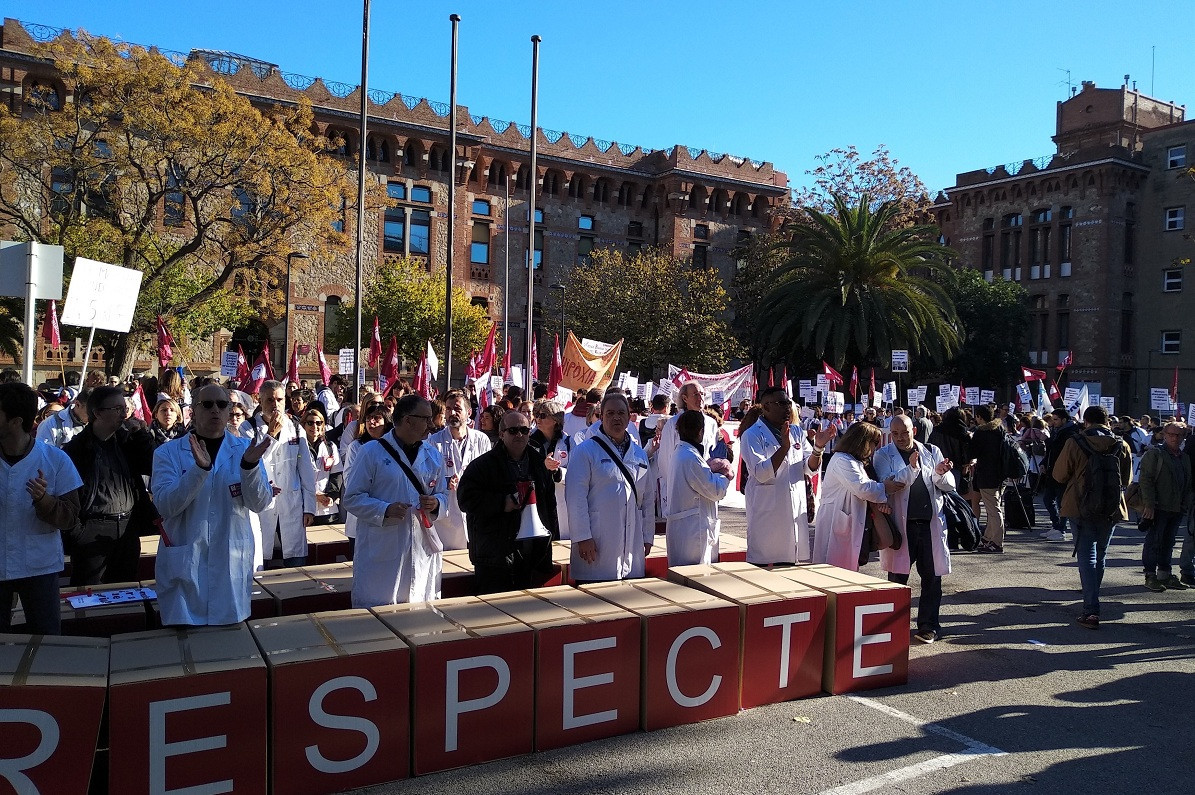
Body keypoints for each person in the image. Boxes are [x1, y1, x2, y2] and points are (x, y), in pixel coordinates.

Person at [152, 384, 273, 626]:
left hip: (231, 562)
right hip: (186, 563)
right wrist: (199, 471)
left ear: (230, 410)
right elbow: (166, 506)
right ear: (193, 412)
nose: (215, 410)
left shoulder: (246, 451)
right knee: (186, 648)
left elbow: (260, 503)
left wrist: (249, 468)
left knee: (227, 647)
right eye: (207, 404)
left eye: (222, 404)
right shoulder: (168, 453)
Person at [343, 394, 448, 608]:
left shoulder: (433, 455)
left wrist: (436, 504)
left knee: (419, 613)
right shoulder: (370, 452)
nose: (431, 425)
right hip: (383, 547)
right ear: (408, 419)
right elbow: (352, 498)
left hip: (421, 545)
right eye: (426, 419)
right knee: (380, 614)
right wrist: (384, 510)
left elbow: (443, 494)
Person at [0, 382, 83, 635]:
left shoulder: (56, 459)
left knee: (47, 640)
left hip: (39, 567)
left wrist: (44, 500)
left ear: (15, 421)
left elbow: (71, 517)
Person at [61, 387, 157, 585]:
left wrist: (141, 435)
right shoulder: (76, 449)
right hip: (92, 529)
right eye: (117, 409)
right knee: (88, 592)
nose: (124, 414)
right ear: (97, 413)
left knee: (125, 589)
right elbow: (67, 494)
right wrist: (79, 532)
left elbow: (153, 465)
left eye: (125, 408)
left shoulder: (127, 441)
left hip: (127, 528)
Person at [873, 415, 955, 643]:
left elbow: (948, 485)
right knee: (897, 579)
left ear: (914, 431)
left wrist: (940, 472)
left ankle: (929, 626)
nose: (900, 438)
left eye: (905, 432)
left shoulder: (931, 450)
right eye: (895, 433)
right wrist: (911, 469)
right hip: (901, 526)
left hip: (929, 525)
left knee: (932, 578)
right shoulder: (883, 455)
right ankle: (892, 626)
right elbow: (890, 484)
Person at [457, 407, 557, 593]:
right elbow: (465, 499)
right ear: (502, 434)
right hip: (494, 556)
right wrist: (502, 503)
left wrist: (551, 540)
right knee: (492, 614)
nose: (519, 434)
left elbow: (550, 505)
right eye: (513, 430)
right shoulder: (482, 466)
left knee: (525, 612)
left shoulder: (539, 463)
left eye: (524, 430)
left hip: (529, 553)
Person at [1052, 405, 1132, 630]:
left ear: (1086, 422)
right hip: (1111, 507)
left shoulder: (1075, 442)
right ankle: (1091, 600)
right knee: (1101, 553)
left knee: (1087, 554)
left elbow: (1059, 475)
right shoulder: (1121, 444)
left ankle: (1091, 609)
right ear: (1107, 422)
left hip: (1080, 505)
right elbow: (1125, 479)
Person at [741, 387, 835, 565]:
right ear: (766, 406)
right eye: (781, 403)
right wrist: (784, 448)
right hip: (767, 514)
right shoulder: (751, 435)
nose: (787, 408)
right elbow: (761, 473)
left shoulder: (796, 431)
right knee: (761, 567)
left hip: (793, 512)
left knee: (787, 567)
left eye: (788, 403)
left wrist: (818, 448)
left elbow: (808, 468)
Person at [566, 392, 652, 583]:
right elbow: (575, 499)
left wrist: (647, 537)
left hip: (632, 542)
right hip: (596, 544)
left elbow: (646, 499)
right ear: (601, 416)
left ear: (629, 417)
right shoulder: (585, 451)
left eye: (621, 413)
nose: (616, 418)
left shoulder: (639, 454)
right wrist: (582, 537)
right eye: (610, 413)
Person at [812, 422, 905, 571]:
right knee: (833, 569)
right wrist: (885, 487)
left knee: (846, 568)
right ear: (862, 442)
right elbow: (862, 488)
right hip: (836, 520)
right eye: (874, 443)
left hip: (849, 520)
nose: (875, 448)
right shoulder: (842, 460)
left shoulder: (855, 461)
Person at [244, 380, 317, 568]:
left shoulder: (295, 427)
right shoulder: (248, 428)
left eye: (279, 399)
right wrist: (271, 435)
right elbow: (252, 463)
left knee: (295, 560)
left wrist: (309, 507)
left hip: (291, 503)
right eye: (269, 400)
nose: (275, 404)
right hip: (262, 504)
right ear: (259, 400)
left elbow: (306, 469)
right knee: (262, 557)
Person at [665, 410, 732, 566]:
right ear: (701, 431)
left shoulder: (681, 453)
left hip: (686, 529)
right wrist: (724, 473)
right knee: (695, 576)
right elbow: (715, 490)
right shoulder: (691, 458)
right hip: (693, 532)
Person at [427, 389, 492, 550]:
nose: (452, 413)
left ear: (468, 412)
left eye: (457, 409)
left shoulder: (481, 440)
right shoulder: (434, 442)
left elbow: (490, 475)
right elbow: (427, 478)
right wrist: (446, 481)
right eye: (448, 409)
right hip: (447, 518)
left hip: (475, 512)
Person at [1137, 422, 1192, 592]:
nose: (1175, 438)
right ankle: (1150, 575)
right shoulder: (1155, 454)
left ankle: (1164, 574)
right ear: (1165, 435)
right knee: (1154, 541)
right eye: (1172, 434)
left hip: (1176, 508)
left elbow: (1187, 482)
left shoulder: (1184, 457)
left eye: (1179, 435)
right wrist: (1149, 504)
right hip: (1158, 506)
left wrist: (1185, 504)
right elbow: (1145, 480)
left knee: (1168, 542)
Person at [654, 381, 717, 521]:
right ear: (684, 398)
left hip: (707, 486)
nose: (700, 398)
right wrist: (675, 485)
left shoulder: (711, 423)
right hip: (681, 489)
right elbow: (665, 461)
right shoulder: (673, 424)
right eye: (695, 394)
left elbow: (712, 454)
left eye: (702, 394)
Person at [340, 400, 393, 554]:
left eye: (377, 418)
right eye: (369, 418)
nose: (371, 422)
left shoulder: (396, 448)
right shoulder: (356, 447)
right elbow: (350, 480)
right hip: (361, 515)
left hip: (387, 515)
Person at [968, 404, 1009, 553]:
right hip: (1000, 474)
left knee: (993, 509)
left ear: (980, 417)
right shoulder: (999, 429)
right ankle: (988, 537)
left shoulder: (982, 432)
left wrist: (970, 439)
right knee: (993, 506)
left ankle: (997, 542)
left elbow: (973, 452)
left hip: (987, 474)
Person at [530, 398, 571, 539]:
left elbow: (577, 473)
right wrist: (542, 466)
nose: (537, 419)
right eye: (537, 415)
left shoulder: (569, 443)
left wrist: (557, 471)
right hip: (537, 497)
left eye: (543, 415)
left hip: (560, 500)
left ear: (555, 420)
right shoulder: (529, 441)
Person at [1039, 408, 1079, 542]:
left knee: (1062, 502)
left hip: (1063, 472)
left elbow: (1061, 450)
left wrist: (1047, 441)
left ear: (1064, 420)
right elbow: (1051, 451)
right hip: (1052, 471)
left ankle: (1061, 529)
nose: (1053, 422)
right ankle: (1056, 525)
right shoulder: (1057, 431)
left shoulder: (1070, 433)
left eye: (1056, 419)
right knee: (1048, 499)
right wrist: (1044, 462)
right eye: (1053, 419)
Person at [301, 403, 342, 526]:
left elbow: (337, 474)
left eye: (319, 423)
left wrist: (331, 496)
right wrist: (313, 494)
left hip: (327, 509)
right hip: (304, 507)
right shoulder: (297, 447)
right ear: (303, 425)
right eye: (310, 423)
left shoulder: (330, 447)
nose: (315, 426)